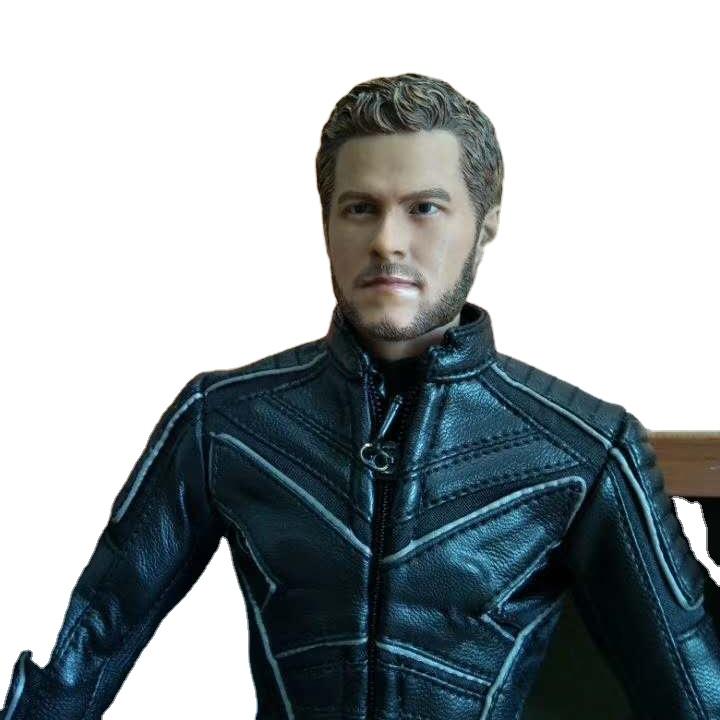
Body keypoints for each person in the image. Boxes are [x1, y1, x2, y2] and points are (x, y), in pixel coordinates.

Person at [2, 72, 719, 720]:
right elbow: (89, 647)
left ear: (486, 222)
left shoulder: (584, 447)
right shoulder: (224, 422)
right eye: (359, 209)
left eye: (424, 208)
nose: (387, 241)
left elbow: (696, 692)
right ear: (326, 221)